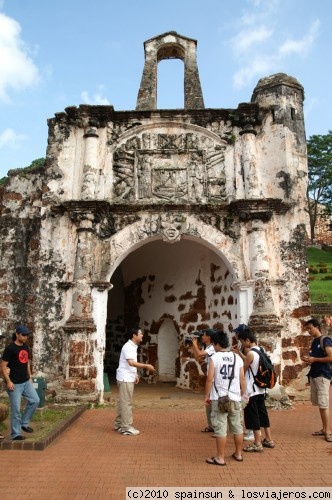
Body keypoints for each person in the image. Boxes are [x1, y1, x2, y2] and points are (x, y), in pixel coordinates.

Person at [205, 330, 246, 465]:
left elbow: (210, 379)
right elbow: (241, 378)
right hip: (235, 397)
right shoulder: (237, 358)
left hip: (219, 398)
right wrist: (244, 394)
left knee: (220, 428)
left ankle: (220, 457)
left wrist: (207, 395)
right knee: (237, 427)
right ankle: (239, 454)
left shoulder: (214, 358)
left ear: (216, 344)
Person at [237, 328, 275, 452]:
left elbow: (245, 368)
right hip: (261, 388)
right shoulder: (260, 350)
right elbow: (250, 361)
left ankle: (257, 442)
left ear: (247, 340)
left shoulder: (250, 354)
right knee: (263, 413)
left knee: (253, 416)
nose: (242, 344)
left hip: (251, 390)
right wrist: (240, 353)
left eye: (242, 341)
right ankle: (269, 439)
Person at [114, 327, 156, 436]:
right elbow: (131, 363)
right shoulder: (128, 346)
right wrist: (146, 366)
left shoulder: (133, 346)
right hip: (125, 378)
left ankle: (119, 424)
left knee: (122, 401)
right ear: (134, 335)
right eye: (140, 333)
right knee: (126, 402)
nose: (142, 335)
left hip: (127, 377)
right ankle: (126, 427)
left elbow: (132, 363)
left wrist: (135, 373)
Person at [1, 325, 40, 441]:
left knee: (35, 400)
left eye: (27, 335)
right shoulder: (10, 349)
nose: (25, 337)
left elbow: (26, 362)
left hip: (25, 381)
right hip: (14, 383)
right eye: (23, 335)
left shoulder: (26, 347)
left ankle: (24, 423)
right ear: (17, 334)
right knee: (16, 409)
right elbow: (3, 366)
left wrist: (30, 376)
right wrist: (8, 381)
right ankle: (15, 434)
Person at [300, 318, 332, 442]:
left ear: (317, 327)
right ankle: (324, 428)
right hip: (315, 374)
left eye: (310, 328)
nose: (308, 331)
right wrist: (309, 360)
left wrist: (314, 360)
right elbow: (316, 357)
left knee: (324, 404)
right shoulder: (315, 342)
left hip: (323, 375)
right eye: (307, 329)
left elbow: (330, 357)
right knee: (320, 403)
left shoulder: (325, 340)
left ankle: (328, 431)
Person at [231, 324, 253, 441]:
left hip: (248, 379)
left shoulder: (247, 347)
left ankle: (250, 431)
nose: (236, 335)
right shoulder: (243, 346)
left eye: (237, 333)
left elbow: (247, 360)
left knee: (247, 407)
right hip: (246, 379)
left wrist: (239, 352)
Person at [191, 328, 216, 432]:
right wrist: (194, 346)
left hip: (214, 379)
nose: (202, 337)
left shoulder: (212, 347)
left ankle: (216, 426)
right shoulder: (208, 347)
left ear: (209, 337)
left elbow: (200, 354)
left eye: (204, 335)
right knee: (209, 404)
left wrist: (195, 344)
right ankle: (211, 425)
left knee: (213, 403)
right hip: (211, 377)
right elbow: (198, 357)